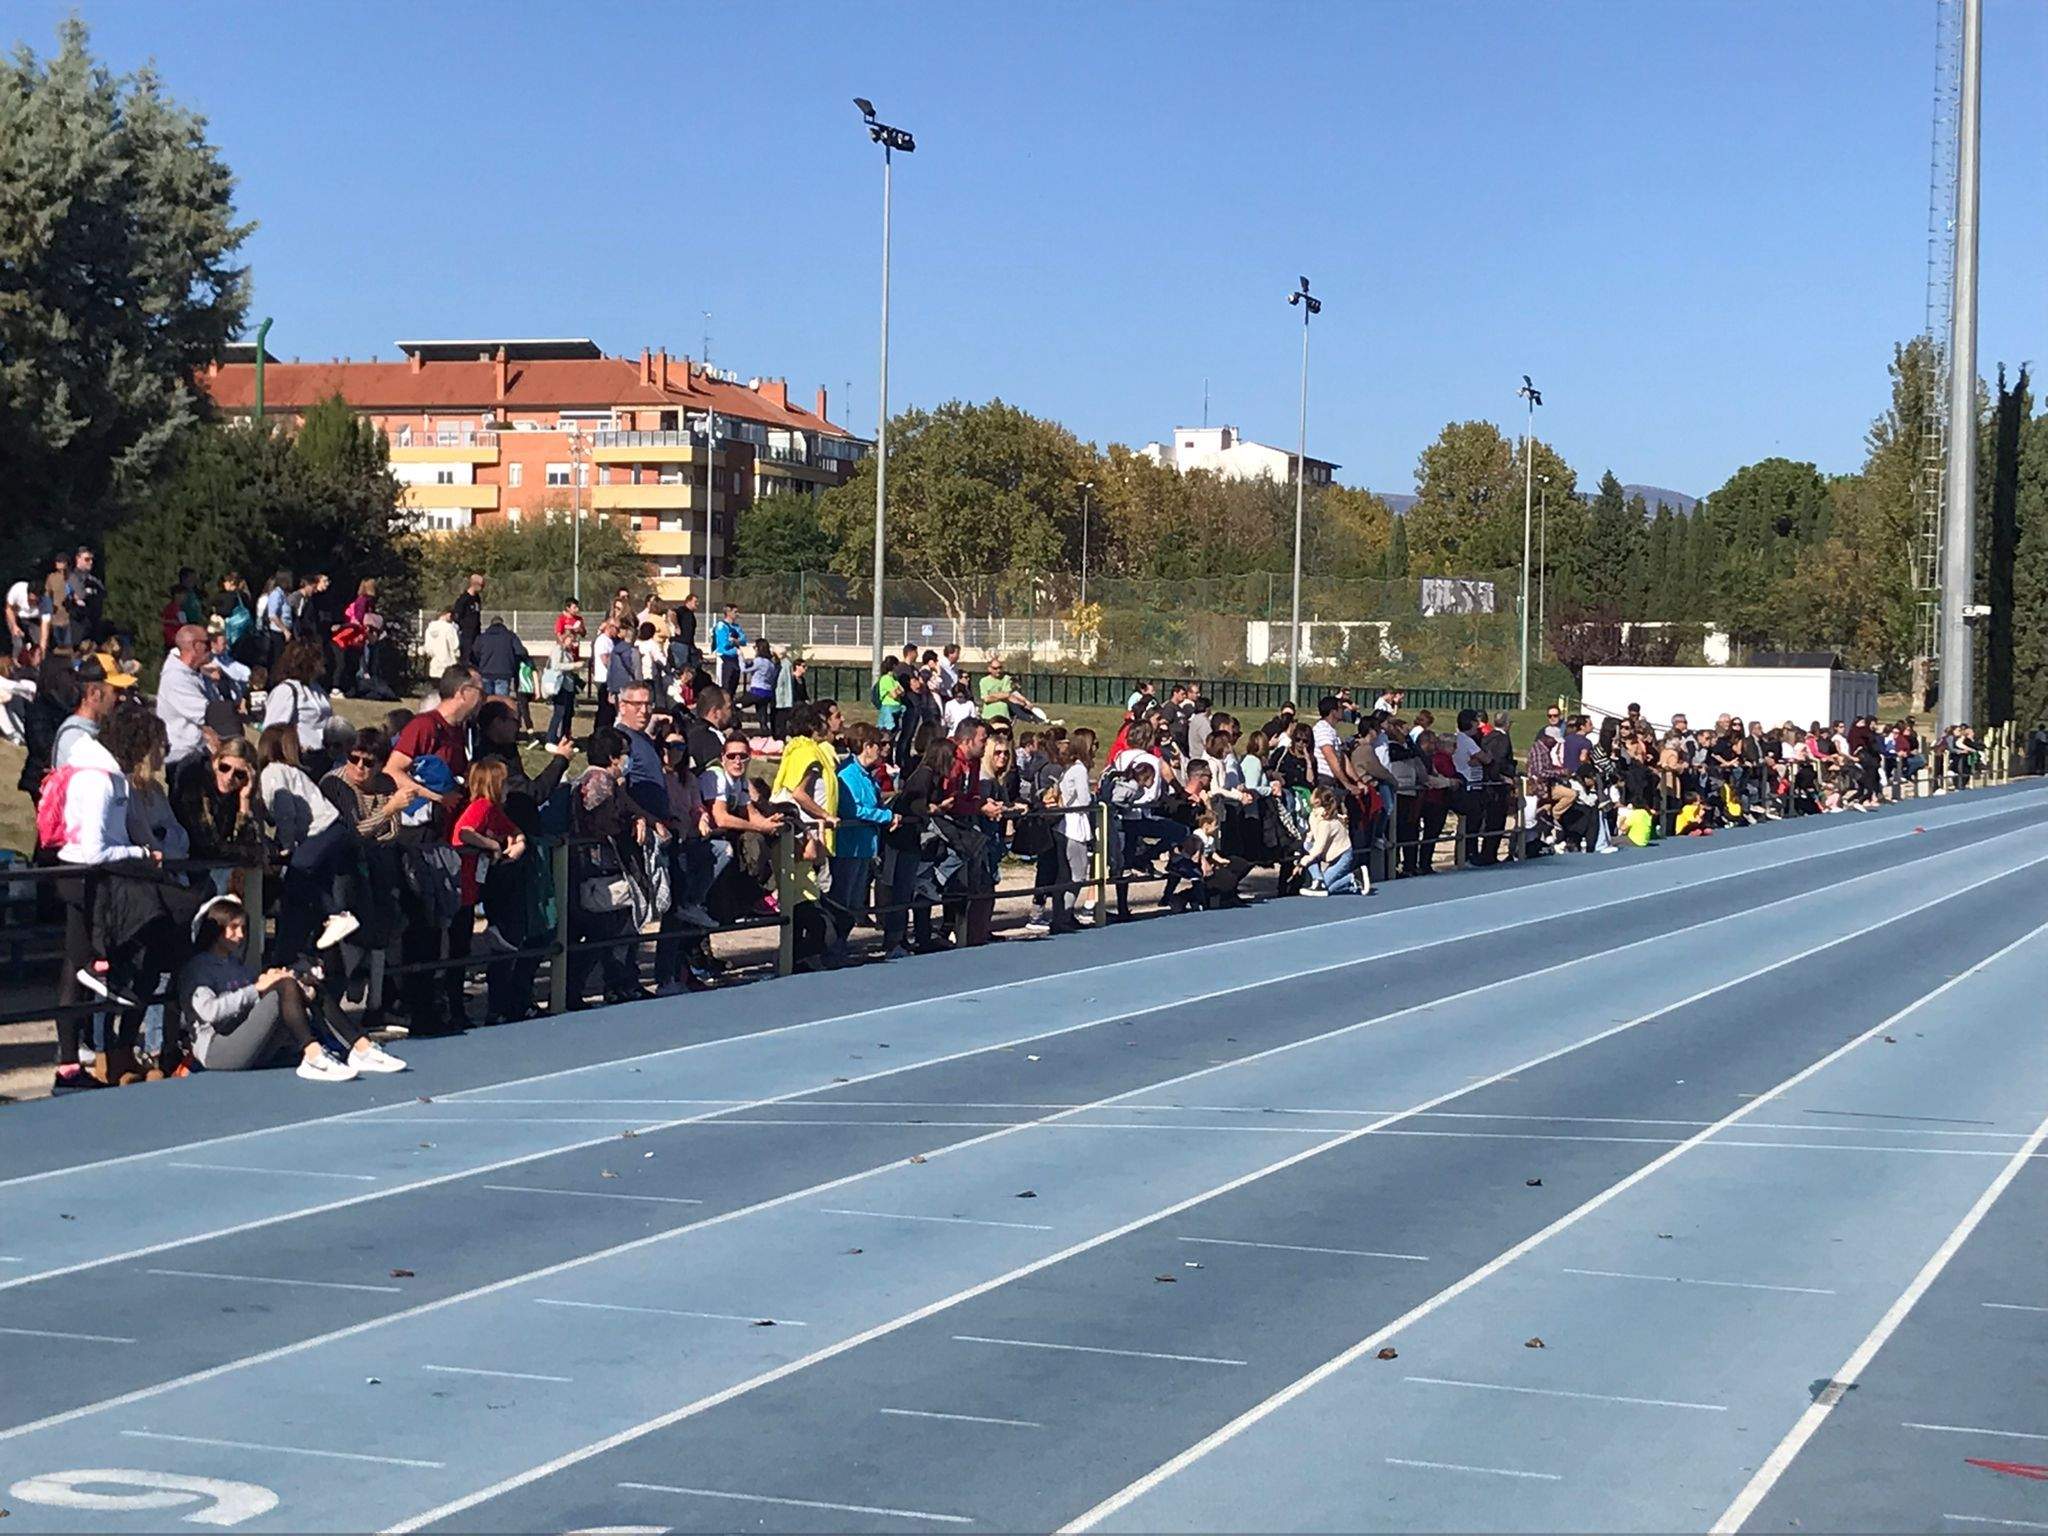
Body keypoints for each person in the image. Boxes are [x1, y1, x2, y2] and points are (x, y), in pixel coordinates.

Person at [178, 895, 404, 1079]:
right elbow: (209, 1012)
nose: (240, 935)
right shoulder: (198, 968)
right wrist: (258, 988)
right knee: (285, 985)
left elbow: (253, 1000)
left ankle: (360, 1047)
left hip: (246, 1042)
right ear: (216, 931)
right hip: (218, 1050)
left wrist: (282, 982)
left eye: (243, 928)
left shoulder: (237, 965)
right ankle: (313, 1055)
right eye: (233, 928)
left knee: (303, 982)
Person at [255, 723, 362, 962]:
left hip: (319, 832)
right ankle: (301, 950)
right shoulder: (292, 771)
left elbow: (286, 812)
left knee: (297, 876)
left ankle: (337, 916)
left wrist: (285, 845)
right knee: (312, 890)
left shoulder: (273, 772)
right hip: (333, 830)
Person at [827, 723, 896, 961]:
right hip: (849, 846)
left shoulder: (869, 775)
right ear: (867, 746)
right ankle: (833, 946)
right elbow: (854, 808)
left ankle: (841, 944)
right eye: (879, 745)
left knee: (855, 901)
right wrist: (886, 817)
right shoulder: (847, 774)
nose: (883, 750)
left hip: (865, 846)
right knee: (842, 898)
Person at [261, 638, 340, 777]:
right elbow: (272, 731)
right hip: (303, 760)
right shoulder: (286, 690)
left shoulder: (317, 689)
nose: (323, 662)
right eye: (318, 658)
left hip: (326, 758)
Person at [156, 624, 222, 768]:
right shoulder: (175, 678)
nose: (211, 648)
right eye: (207, 644)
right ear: (196, 646)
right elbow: (208, 714)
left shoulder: (195, 673)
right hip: (182, 758)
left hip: (199, 752)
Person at [1300, 785, 1361, 895]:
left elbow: (1319, 847)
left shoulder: (1327, 823)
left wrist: (1304, 861)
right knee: (1307, 847)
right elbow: (1312, 835)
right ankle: (1317, 879)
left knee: (1326, 888)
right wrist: (1308, 840)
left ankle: (1352, 878)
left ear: (1317, 800)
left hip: (1342, 856)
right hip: (1328, 854)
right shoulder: (1313, 816)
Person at [473, 615, 529, 699]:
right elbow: (520, 652)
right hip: (504, 673)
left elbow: (475, 653)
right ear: (502, 624)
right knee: (502, 702)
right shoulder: (510, 636)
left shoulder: (482, 637)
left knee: (487, 701)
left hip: (485, 672)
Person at [977, 655, 1036, 723]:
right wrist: (1002, 696)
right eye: (995, 668)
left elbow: (1007, 694)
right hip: (988, 716)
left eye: (1000, 667)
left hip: (1004, 716)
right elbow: (987, 699)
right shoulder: (983, 681)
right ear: (989, 669)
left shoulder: (1006, 679)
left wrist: (992, 695)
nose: (998, 670)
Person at [744, 636, 779, 734]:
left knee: (735, 705)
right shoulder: (771, 664)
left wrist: (740, 656)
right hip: (767, 692)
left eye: (755, 647)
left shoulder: (758, 661)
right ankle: (765, 735)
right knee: (762, 715)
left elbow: (744, 669)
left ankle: (735, 726)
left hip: (757, 691)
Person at [712, 603, 748, 694]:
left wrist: (734, 640)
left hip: (735, 658)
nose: (737, 614)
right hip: (724, 657)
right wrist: (735, 641)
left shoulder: (737, 627)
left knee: (734, 683)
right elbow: (725, 642)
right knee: (725, 684)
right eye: (735, 612)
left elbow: (743, 641)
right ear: (728, 612)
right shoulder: (721, 626)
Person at [452, 572, 486, 664]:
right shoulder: (464, 599)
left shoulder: (477, 598)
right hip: (466, 635)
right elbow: (457, 616)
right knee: (466, 658)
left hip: (476, 634)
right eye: (481, 586)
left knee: (476, 658)